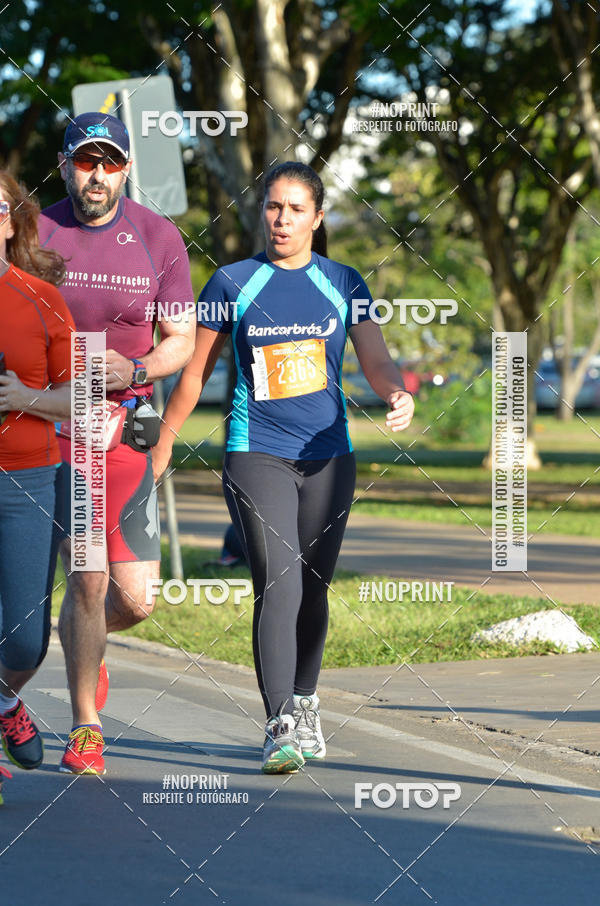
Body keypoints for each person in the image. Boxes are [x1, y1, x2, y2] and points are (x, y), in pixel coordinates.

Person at [152, 161, 415, 774]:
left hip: (328, 457)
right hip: (256, 451)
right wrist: (164, 443)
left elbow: (376, 358)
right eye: (274, 207)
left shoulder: (343, 283)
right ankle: (279, 725)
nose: (283, 219)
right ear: (260, 213)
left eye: (297, 209)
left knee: (314, 586)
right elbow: (194, 375)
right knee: (281, 581)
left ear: (318, 218)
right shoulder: (232, 283)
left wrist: (396, 392)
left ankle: (305, 699)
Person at [38, 112, 196, 775]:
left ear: (126, 167)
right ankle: (86, 728)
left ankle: (85, 644)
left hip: (128, 425)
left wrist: (135, 370)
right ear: (67, 164)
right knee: (88, 578)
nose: (96, 175)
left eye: (108, 162)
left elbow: (181, 340)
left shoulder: (158, 238)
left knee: (134, 599)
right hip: (56, 421)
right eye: (84, 161)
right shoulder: (37, 231)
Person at [0, 170, 75, 802]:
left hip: (28, 477)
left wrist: (26, 396)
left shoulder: (41, 298)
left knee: (26, 638)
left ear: (11, 219)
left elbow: (78, 396)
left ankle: (4, 699)